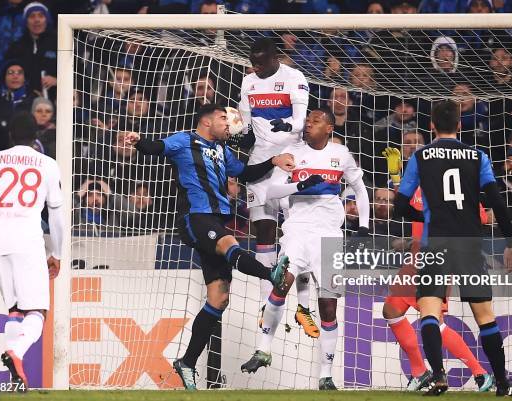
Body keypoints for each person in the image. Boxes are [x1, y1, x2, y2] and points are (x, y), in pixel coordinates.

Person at [123, 103, 293, 390]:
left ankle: (187, 362)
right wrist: (138, 141)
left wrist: (273, 160)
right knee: (230, 243)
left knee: (219, 298)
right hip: (196, 218)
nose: (229, 124)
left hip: (215, 220)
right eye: (223, 118)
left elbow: (245, 173)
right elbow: (156, 147)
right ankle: (271, 275)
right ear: (206, 121)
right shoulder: (184, 140)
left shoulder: (223, 151)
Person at [393, 100, 512, 396]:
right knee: (485, 316)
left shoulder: (421, 157)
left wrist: (424, 215)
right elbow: (496, 202)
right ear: (460, 125)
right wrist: (510, 241)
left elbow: (399, 206)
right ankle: (502, 383)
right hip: (468, 245)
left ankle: (438, 377)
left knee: (429, 312)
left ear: (432, 126)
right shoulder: (477, 156)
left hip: (435, 244)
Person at [240, 108, 370, 391]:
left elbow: (360, 189)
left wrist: (363, 227)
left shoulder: (342, 154)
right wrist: (299, 184)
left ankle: (326, 375)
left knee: (328, 306)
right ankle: (263, 349)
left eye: (316, 121)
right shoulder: (291, 153)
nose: (309, 124)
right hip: (297, 232)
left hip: (329, 237)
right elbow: (271, 193)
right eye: (308, 120)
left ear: (329, 129)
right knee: (280, 284)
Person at [0, 111, 64, 392]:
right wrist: (57, 252)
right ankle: (16, 352)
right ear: (36, 137)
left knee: (15, 310)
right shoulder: (48, 164)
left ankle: (16, 378)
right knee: (38, 311)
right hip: (28, 240)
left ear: (10, 135)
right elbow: (55, 213)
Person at [382, 146, 495, 392]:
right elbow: (402, 201)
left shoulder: (459, 191)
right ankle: (420, 372)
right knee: (392, 309)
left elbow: (483, 218)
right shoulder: (420, 189)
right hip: (414, 262)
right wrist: (396, 177)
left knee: (434, 321)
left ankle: (479, 373)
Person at [236, 38, 316, 338]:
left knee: (300, 235)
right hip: (261, 163)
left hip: (290, 162)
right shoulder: (247, 83)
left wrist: (287, 126)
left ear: (275, 57)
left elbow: (300, 121)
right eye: (253, 60)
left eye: (261, 60)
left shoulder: (294, 78)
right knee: (264, 234)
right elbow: (245, 126)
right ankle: (264, 306)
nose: (256, 65)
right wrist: (236, 135)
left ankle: (304, 306)